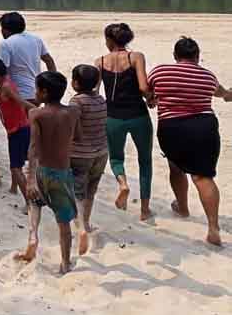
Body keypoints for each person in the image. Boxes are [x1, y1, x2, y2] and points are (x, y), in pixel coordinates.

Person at [148, 37, 232, 246]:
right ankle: (213, 227)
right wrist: (229, 94)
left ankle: (183, 207)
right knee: (203, 177)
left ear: (175, 56)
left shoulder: (160, 72)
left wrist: (152, 100)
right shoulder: (207, 76)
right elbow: (222, 94)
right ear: (197, 56)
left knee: (176, 167)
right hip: (204, 126)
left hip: (172, 127)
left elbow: (149, 94)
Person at [16, 71, 80, 275]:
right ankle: (65, 263)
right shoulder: (73, 112)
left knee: (35, 204)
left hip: (41, 170)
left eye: (36, 89)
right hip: (62, 172)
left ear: (43, 92)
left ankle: (33, 236)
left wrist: (30, 180)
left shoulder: (36, 114)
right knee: (64, 222)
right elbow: (77, 137)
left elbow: (33, 148)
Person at [95, 23, 154, 220]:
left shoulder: (100, 61)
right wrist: (151, 99)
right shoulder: (136, 57)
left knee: (116, 158)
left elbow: (94, 92)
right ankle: (145, 210)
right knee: (145, 161)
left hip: (112, 117)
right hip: (138, 115)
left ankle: (123, 184)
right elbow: (143, 87)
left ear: (109, 40)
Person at [0, 58, 35, 197]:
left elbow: (21, 101)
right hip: (16, 130)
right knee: (17, 162)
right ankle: (14, 188)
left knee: (16, 168)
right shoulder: (5, 83)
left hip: (19, 130)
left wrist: (38, 111)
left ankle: (29, 202)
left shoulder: (6, 87)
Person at [69, 65, 108, 255]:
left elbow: (72, 127)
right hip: (101, 152)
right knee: (91, 190)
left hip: (79, 154)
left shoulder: (76, 102)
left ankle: (81, 229)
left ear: (75, 83)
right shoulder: (100, 100)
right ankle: (87, 222)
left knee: (78, 193)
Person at [0, 12, 57, 102]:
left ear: (6, 30)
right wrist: (53, 84)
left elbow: (1, 72)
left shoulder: (6, 44)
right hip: (36, 93)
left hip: (18, 94)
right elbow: (49, 61)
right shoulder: (36, 39)